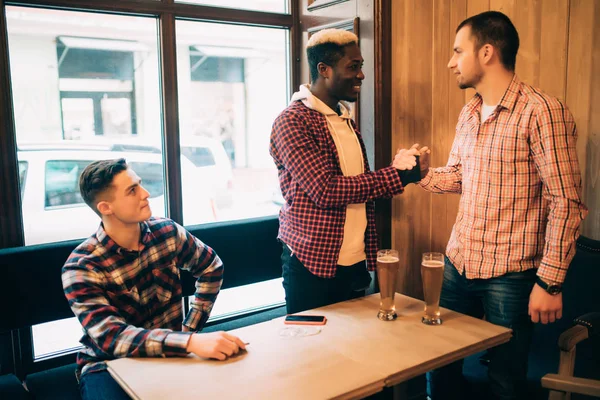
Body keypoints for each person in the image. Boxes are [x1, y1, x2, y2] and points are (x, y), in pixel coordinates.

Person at [418, 11, 588, 400]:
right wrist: (421, 174)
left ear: (487, 52)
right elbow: (461, 176)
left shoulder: (543, 111)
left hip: (510, 274)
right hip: (458, 263)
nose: (450, 61)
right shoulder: (469, 111)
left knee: (505, 381)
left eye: (458, 51)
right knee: (438, 367)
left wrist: (550, 281)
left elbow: (567, 201)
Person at [270, 28, 426, 314]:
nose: (361, 75)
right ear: (324, 69)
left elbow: (358, 184)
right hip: (312, 263)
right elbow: (325, 190)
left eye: (361, 66)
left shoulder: (345, 120)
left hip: (354, 259)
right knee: (312, 353)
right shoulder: (292, 121)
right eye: (353, 67)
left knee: (353, 351)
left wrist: (402, 167)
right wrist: (396, 176)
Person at [62, 158, 246, 400]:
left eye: (140, 184)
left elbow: (211, 267)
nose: (146, 194)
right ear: (106, 207)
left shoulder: (167, 232)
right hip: (108, 365)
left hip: (172, 352)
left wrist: (190, 328)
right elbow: (112, 337)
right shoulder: (81, 267)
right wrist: (189, 341)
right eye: (132, 190)